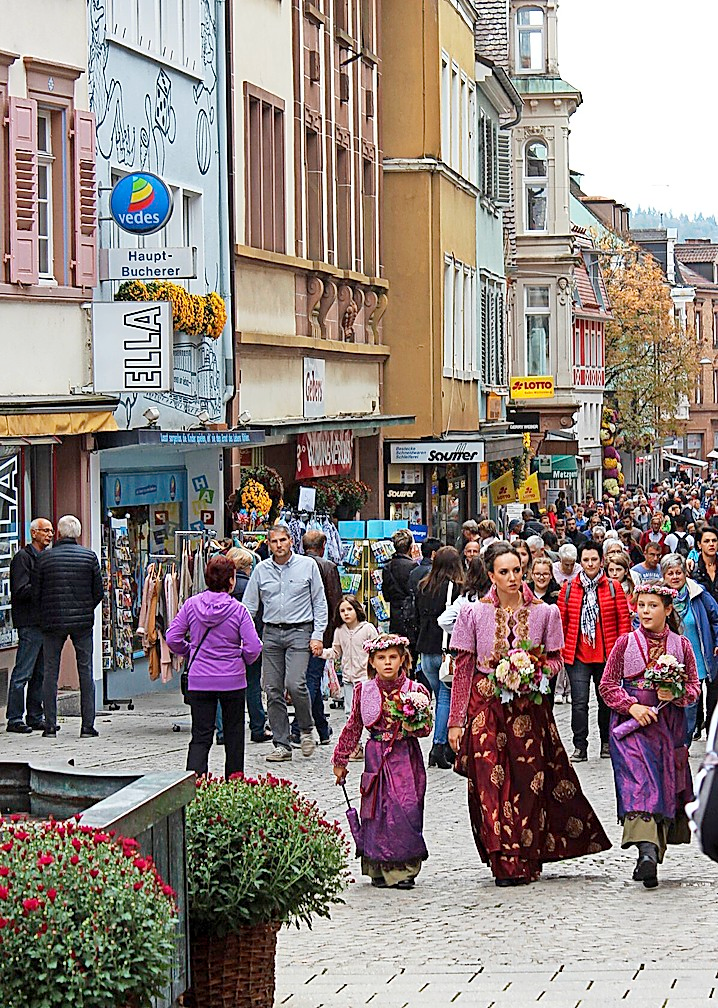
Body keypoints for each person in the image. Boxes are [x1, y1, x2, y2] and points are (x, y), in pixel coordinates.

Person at [448, 543, 611, 886]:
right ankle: (502, 858)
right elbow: (463, 669)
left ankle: (524, 854)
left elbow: (556, 660)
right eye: (503, 572)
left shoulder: (545, 613)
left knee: (527, 783)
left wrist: (532, 671)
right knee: (490, 784)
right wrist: (455, 721)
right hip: (485, 709)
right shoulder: (473, 614)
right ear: (490, 575)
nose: (511, 577)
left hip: (528, 711)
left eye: (516, 571)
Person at [599, 582, 700, 889]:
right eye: (641, 605)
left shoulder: (681, 646)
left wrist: (677, 693)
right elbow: (607, 686)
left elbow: (695, 687)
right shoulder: (624, 643)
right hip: (631, 730)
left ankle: (653, 853)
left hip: (667, 728)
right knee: (639, 784)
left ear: (668, 610)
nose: (645, 611)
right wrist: (630, 707)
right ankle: (645, 852)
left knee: (662, 785)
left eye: (652, 605)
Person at [332, 635, 431, 889]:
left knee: (406, 807)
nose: (387, 663)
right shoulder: (364, 691)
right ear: (372, 662)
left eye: (393, 657)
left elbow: (426, 728)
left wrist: (413, 723)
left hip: (405, 756)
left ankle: (405, 868)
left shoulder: (415, 691)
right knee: (377, 811)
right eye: (381, 658)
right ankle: (378, 866)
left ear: (402, 660)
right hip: (376, 756)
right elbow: (354, 725)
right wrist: (341, 758)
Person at [166, 555, 263, 778]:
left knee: (200, 736)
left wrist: (190, 650)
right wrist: (241, 657)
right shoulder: (238, 610)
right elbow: (253, 647)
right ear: (231, 581)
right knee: (234, 735)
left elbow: (172, 637)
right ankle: (234, 785)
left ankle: (195, 785)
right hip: (232, 680)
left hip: (200, 679)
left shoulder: (191, 605)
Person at [242, 524, 328, 762]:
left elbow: (319, 602)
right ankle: (281, 743)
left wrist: (318, 634)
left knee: (296, 683)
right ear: (268, 544)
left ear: (291, 541)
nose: (279, 545)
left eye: (282, 540)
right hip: (271, 633)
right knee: (272, 689)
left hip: (300, 631)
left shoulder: (307, 566)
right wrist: (246, 635)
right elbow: (249, 607)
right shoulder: (261, 570)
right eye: (274, 541)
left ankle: (306, 728)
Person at [557, 541, 631, 762]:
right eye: (586, 560)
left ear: (602, 561)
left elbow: (623, 621)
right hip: (577, 655)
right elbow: (561, 622)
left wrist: (621, 652)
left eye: (594, 559)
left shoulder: (612, 587)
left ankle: (607, 744)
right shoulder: (569, 588)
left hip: (606, 654)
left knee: (605, 701)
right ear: (581, 562)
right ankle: (580, 746)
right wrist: (561, 650)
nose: (590, 564)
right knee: (579, 703)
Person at [33, 515, 103, 739]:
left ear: (60, 533)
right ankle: (87, 726)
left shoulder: (45, 559)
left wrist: (46, 611)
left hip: (52, 622)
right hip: (82, 623)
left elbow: (36, 593)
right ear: (78, 533)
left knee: (50, 672)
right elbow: (98, 592)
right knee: (86, 672)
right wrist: (85, 608)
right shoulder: (89, 557)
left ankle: (50, 726)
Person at [660, 553, 718, 747]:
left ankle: (683, 745)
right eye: (670, 573)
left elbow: (716, 617)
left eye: (679, 572)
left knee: (690, 704)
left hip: (697, 660)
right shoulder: (658, 597)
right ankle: (670, 743)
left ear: (685, 573)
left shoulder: (698, 594)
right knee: (670, 704)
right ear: (664, 576)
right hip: (668, 662)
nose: (675, 577)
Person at [415, 546, 463, 769]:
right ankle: (439, 745)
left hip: (426, 649)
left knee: (439, 697)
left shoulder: (424, 585)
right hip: (446, 651)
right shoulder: (455, 588)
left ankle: (440, 743)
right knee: (445, 699)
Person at [294, 529, 343, 746]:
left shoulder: (294, 566)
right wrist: (334, 633)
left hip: (297, 630)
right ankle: (298, 726)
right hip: (319, 632)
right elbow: (336, 602)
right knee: (312, 679)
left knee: (310, 678)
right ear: (323, 546)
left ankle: (322, 728)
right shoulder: (327, 567)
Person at [6, 517, 54, 733]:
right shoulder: (23, 558)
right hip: (29, 623)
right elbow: (19, 590)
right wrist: (41, 585)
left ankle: (35, 715)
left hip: (44, 622)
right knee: (23, 672)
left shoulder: (46, 557)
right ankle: (15, 718)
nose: (50, 535)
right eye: (45, 531)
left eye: (51, 531)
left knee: (40, 673)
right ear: (34, 533)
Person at [322, 594, 378, 760]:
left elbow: (376, 650)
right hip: (349, 679)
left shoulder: (367, 629)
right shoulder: (340, 631)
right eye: (342, 611)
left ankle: (374, 742)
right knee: (350, 713)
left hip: (366, 679)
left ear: (357, 610)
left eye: (349, 609)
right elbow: (336, 651)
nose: (346, 613)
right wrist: (322, 653)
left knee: (369, 711)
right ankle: (355, 745)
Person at [226, 547, 272, 743]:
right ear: (247, 567)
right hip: (251, 641)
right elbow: (260, 617)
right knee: (252, 684)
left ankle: (222, 731)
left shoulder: (223, 589)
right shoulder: (253, 588)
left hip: (227, 644)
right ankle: (257, 726)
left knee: (225, 686)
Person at [381, 529, 416, 635]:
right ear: (410, 547)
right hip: (410, 614)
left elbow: (386, 595)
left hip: (394, 613)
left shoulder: (388, 567)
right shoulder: (413, 566)